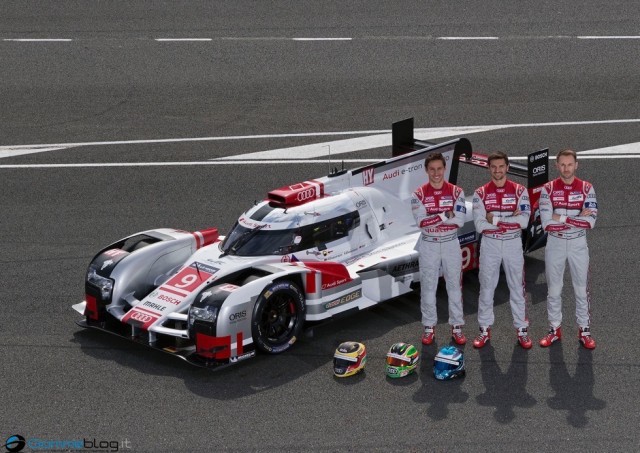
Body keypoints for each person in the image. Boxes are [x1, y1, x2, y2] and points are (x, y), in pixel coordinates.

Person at [472, 151, 532, 349]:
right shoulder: (480, 193)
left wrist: (496, 220)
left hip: (513, 244)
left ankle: (522, 329)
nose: (497, 170)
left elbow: (523, 222)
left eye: (501, 166)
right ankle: (484, 330)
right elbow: (480, 226)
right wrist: (510, 220)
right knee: (487, 288)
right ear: (489, 169)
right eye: (493, 167)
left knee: (517, 287)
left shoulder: (520, 191)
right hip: (490, 244)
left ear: (507, 167)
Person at [538, 149, 597, 349]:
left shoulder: (587, 188)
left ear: (576, 165)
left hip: (578, 244)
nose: (566, 168)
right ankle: (554, 329)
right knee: (554, 290)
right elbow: (546, 223)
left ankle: (584, 330)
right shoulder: (548, 189)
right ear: (557, 166)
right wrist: (576, 217)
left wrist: (560, 217)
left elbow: (590, 222)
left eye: (569, 164)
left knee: (581, 290)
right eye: (562, 164)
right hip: (555, 243)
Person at [411, 153, 467, 346]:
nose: (436, 173)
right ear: (427, 170)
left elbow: (459, 221)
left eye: (439, 169)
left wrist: (433, 217)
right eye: (432, 169)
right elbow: (422, 224)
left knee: (454, 285)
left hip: (451, 243)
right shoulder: (418, 194)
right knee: (428, 286)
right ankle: (428, 327)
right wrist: (444, 215)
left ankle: (457, 327)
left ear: (445, 169)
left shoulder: (457, 192)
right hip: (428, 244)